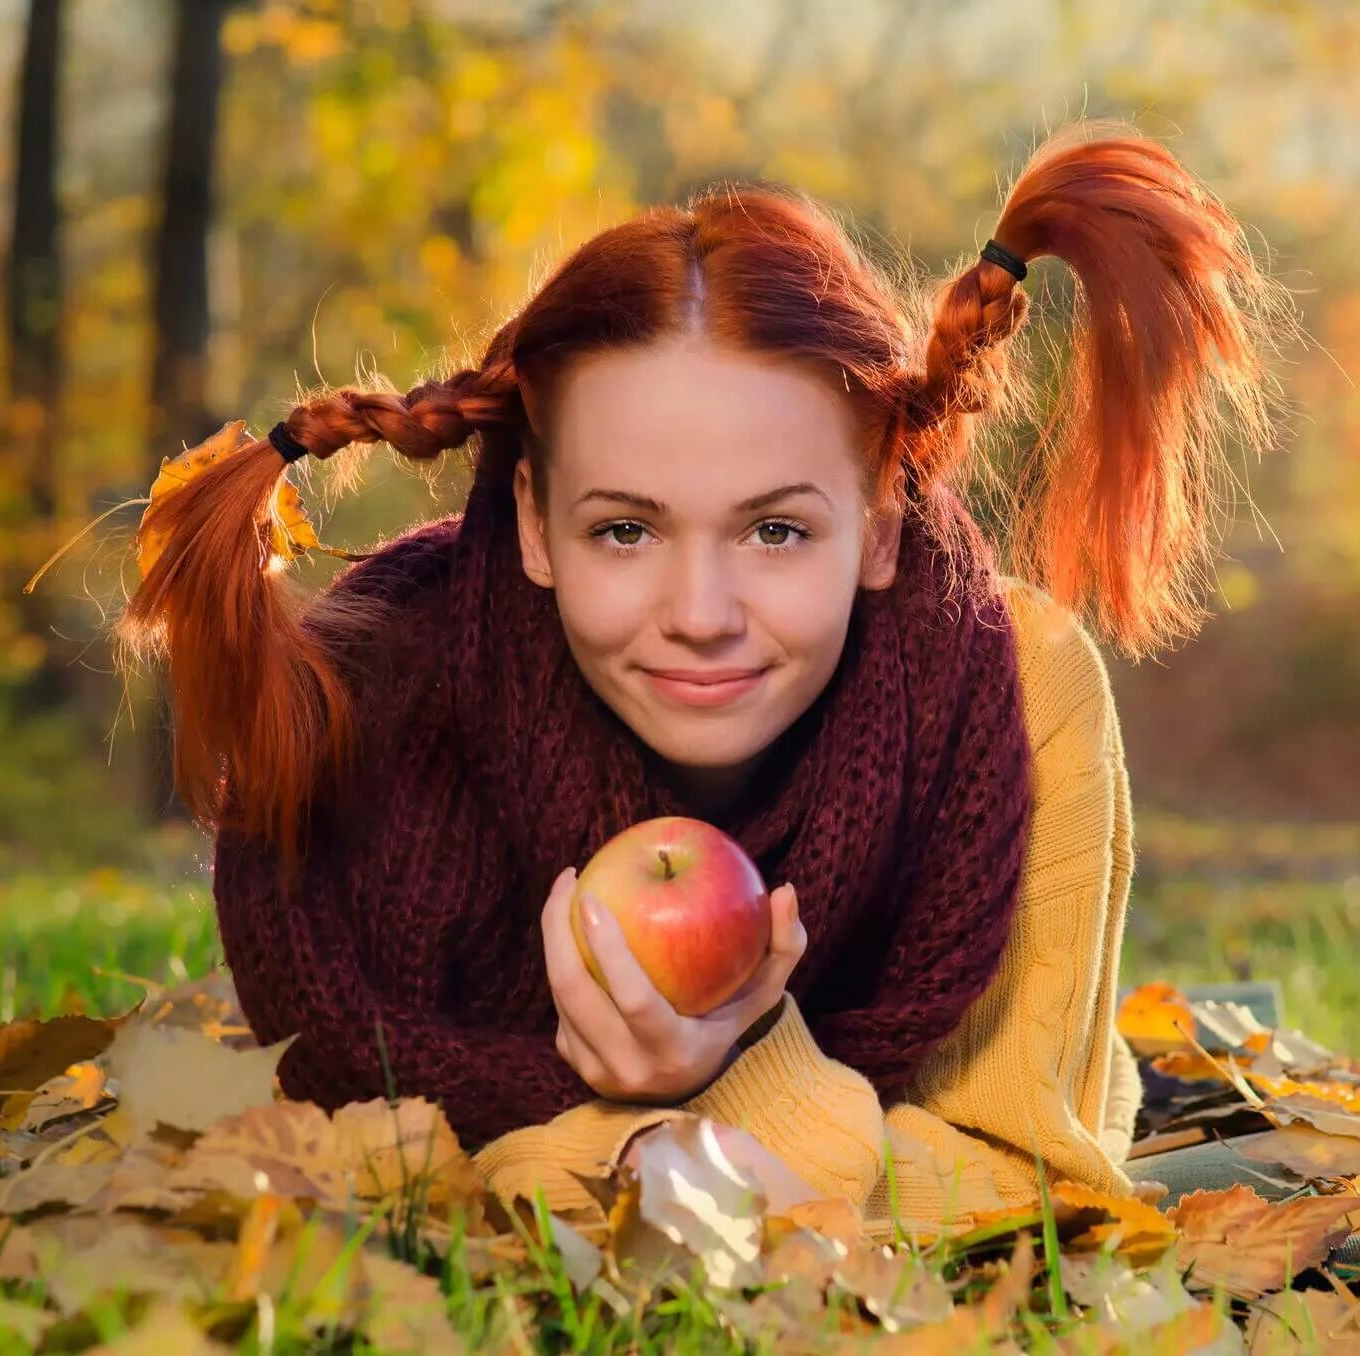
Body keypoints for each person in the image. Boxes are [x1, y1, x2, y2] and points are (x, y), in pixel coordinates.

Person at [119, 120, 1291, 1229]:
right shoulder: (368, 699)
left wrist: (701, 1091)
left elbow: (1026, 1188)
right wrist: (669, 1147)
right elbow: (332, 1149)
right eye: (623, 531)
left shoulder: (1013, 692)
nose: (699, 618)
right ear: (532, 524)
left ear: (882, 517)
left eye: (774, 532)